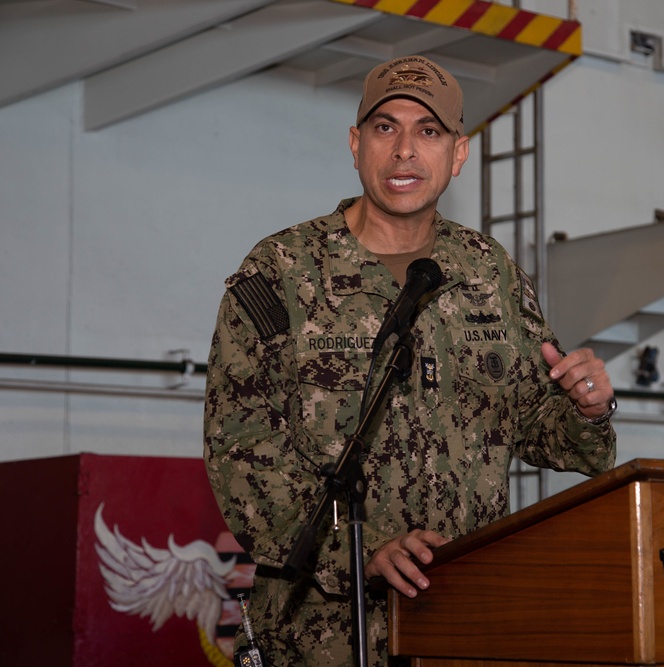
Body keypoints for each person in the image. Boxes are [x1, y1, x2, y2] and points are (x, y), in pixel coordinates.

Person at [204, 54, 617, 667]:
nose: (404, 150)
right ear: (354, 144)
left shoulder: (488, 271)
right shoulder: (283, 271)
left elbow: (540, 427)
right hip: (320, 636)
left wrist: (588, 408)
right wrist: (357, 551)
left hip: (460, 623)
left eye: (429, 131)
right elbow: (240, 447)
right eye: (385, 127)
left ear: (458, 154)